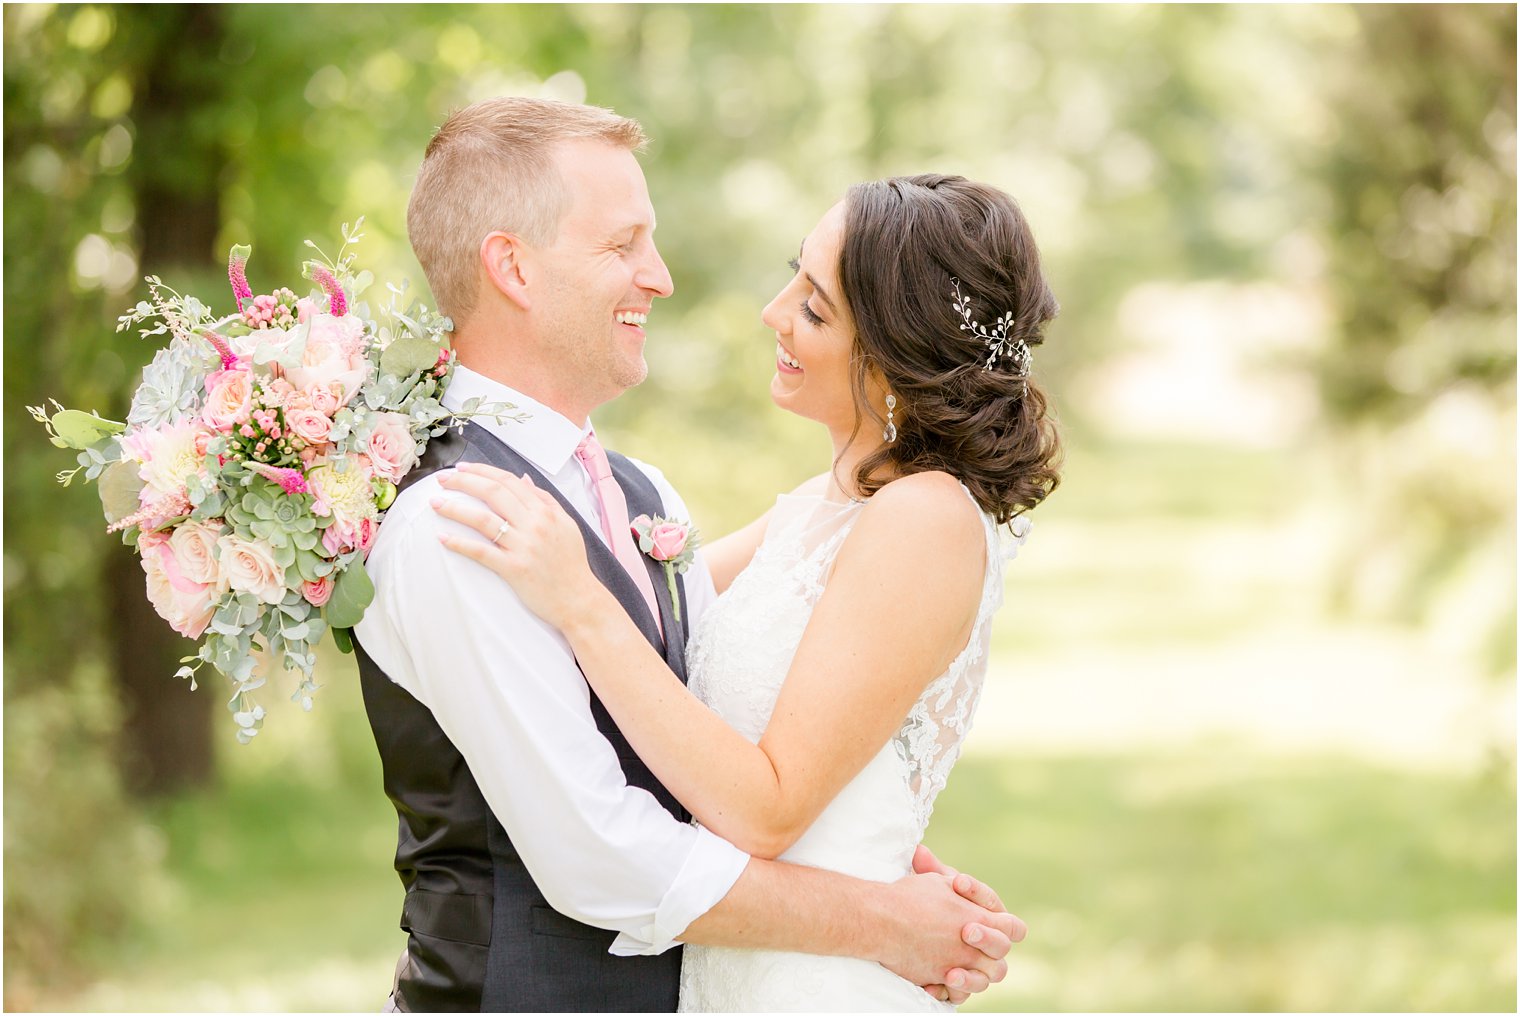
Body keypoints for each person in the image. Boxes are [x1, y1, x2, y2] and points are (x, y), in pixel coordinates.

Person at [352, 97, 1024, 1013]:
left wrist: (878, 839)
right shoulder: (459, 522)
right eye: (622, 245)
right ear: (512, 266)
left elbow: (730, 729)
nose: (659, 278)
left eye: (815, 304)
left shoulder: (644, 499)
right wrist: (882, 916)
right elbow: (604, 854)